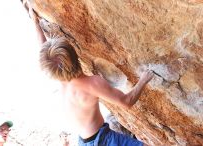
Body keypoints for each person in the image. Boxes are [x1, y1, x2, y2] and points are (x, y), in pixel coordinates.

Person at [26, 1, 153, 145]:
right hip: (104, 141)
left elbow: (44, 49)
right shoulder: (92, 84)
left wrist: (35, 22)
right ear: (75, 57)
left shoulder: (60, 76)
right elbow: (126, 102)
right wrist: (144, 79)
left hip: (84, 142)